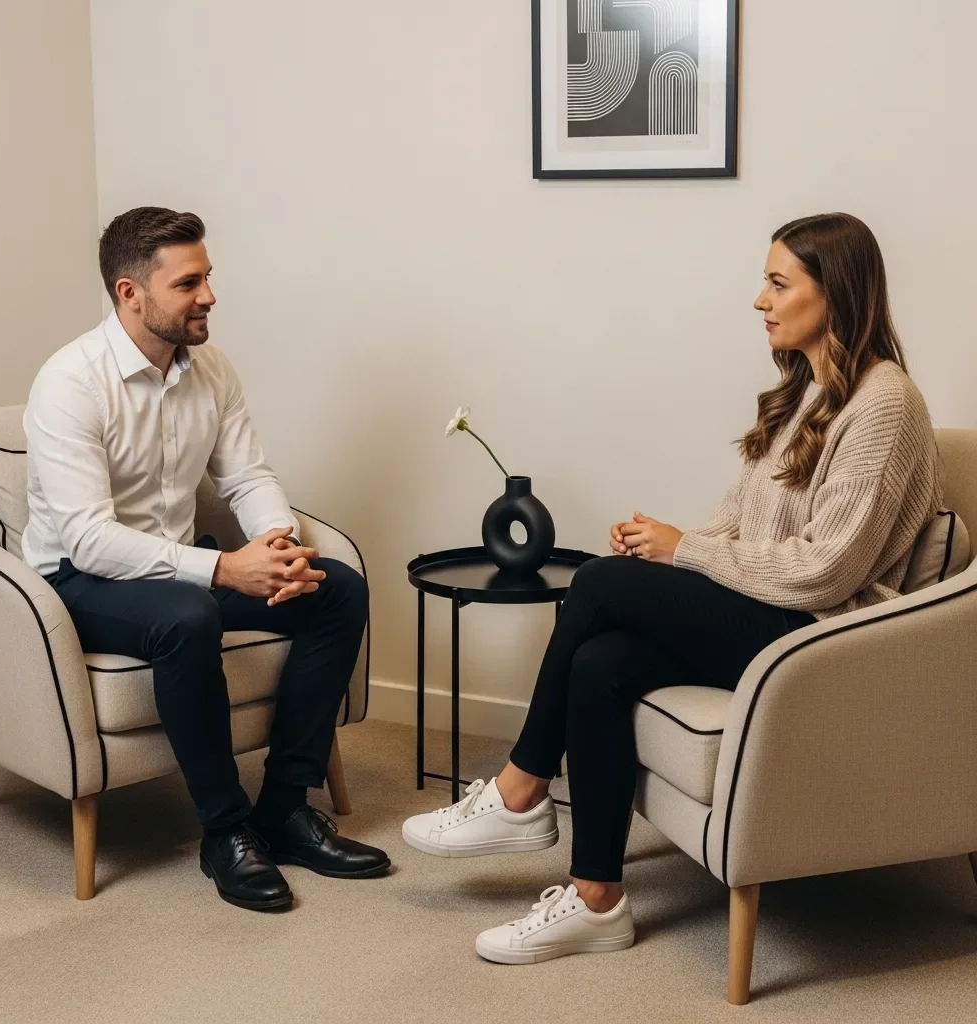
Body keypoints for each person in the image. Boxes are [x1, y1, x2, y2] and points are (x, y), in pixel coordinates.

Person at [402, 212, 942, 964]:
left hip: (821, 637)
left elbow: (829, 569)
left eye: (779, 283)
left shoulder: (885, 402)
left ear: (837, 293)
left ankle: (521, 788)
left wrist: (680, 550)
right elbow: (737, 526)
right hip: (770, 614)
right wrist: (671, 549)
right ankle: (597, 900)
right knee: (602, 662)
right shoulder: (802, 394)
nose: (760, 299)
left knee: (594, 583)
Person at [23, 207, 390, 912]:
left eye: (208, 277)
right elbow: (89, 539)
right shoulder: (70, 382)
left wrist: (278, 547)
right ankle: (224, 833)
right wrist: (226, 569)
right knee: (185, 616)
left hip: (177, 566)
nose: (210, 296)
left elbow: (246, 477)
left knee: (336, 588)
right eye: (189, 283)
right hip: (77, 581)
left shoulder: (210, 368)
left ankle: (282, 810)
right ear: (131, 293)